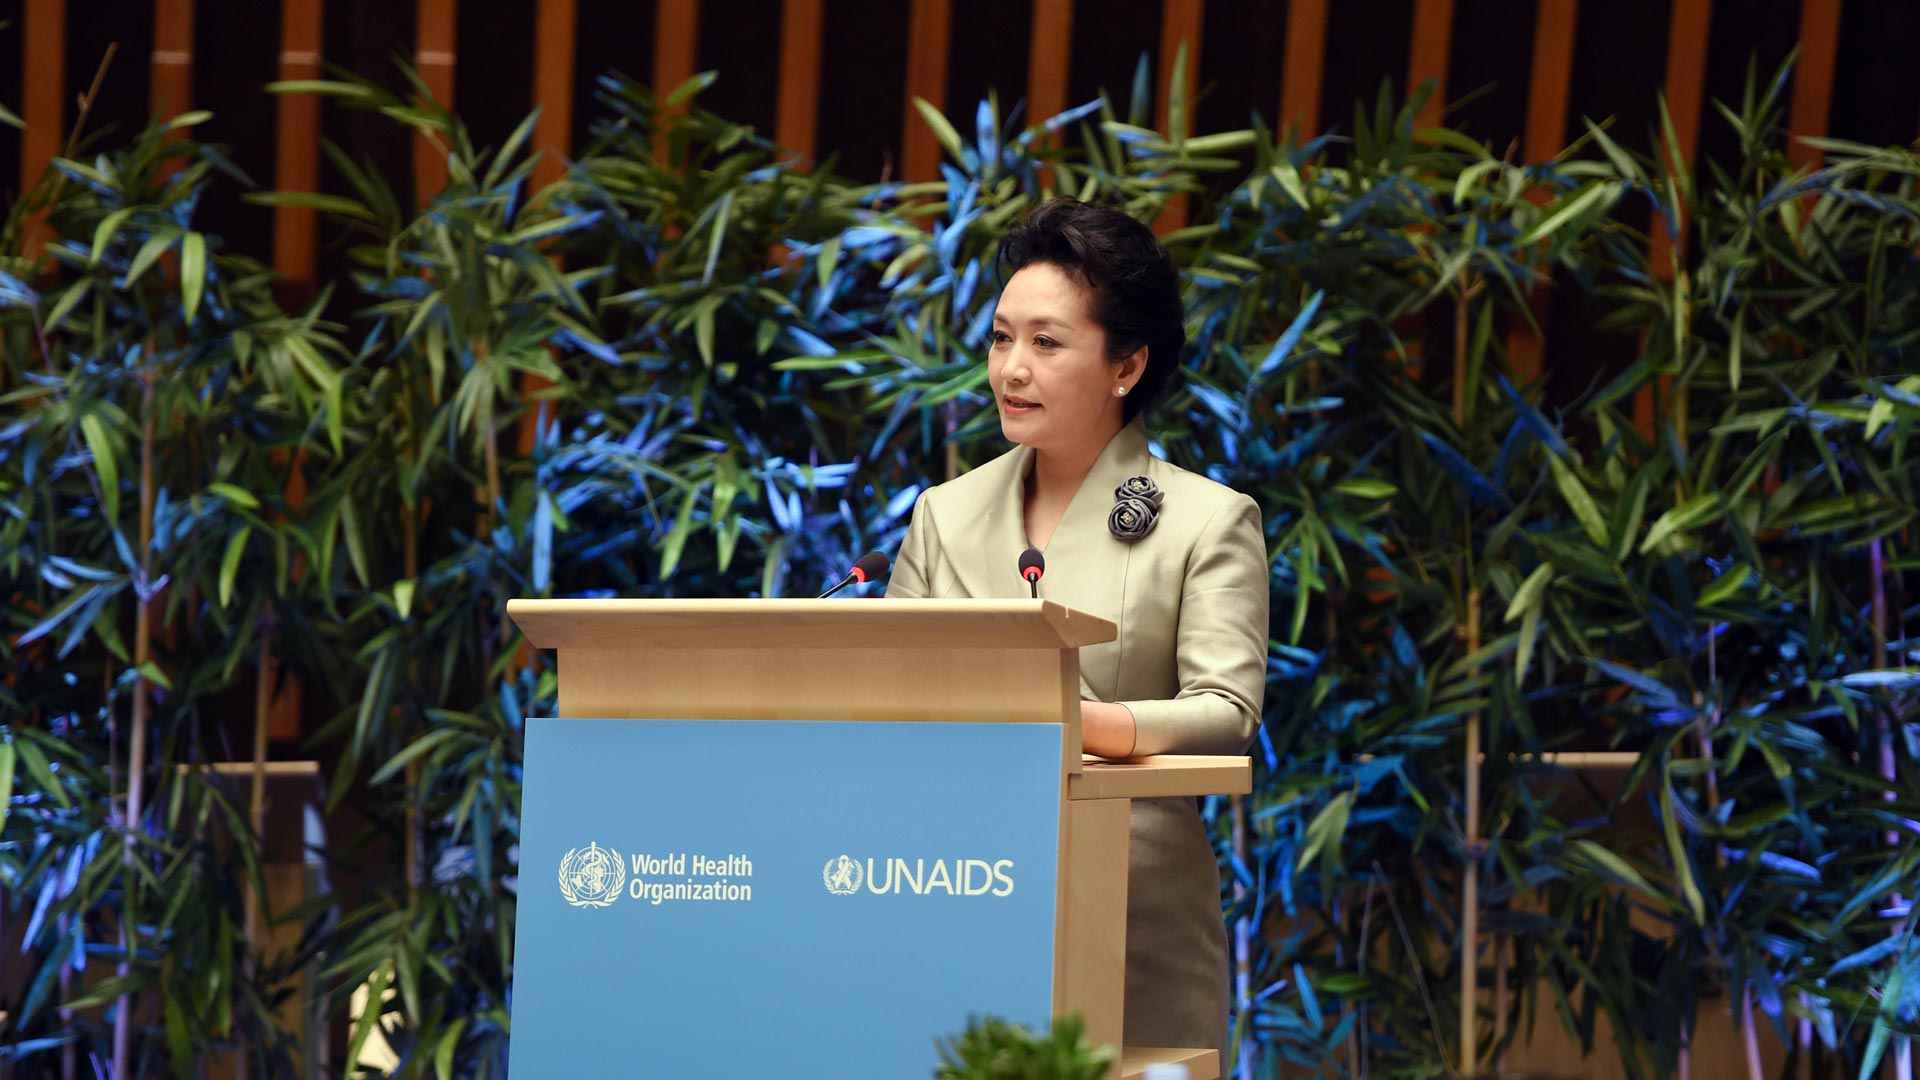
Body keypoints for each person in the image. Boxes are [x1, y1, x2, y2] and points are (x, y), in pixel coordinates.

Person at [887, 197, 1270, 1057]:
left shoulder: (1207, 520)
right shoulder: (943, 514)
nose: (1011, 368)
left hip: (1132, 911)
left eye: (1046, 342)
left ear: (1125, 365)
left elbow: (1226, 710)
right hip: (949, 890)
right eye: (1000, 339)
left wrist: (1089, 725)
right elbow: (891, 697)